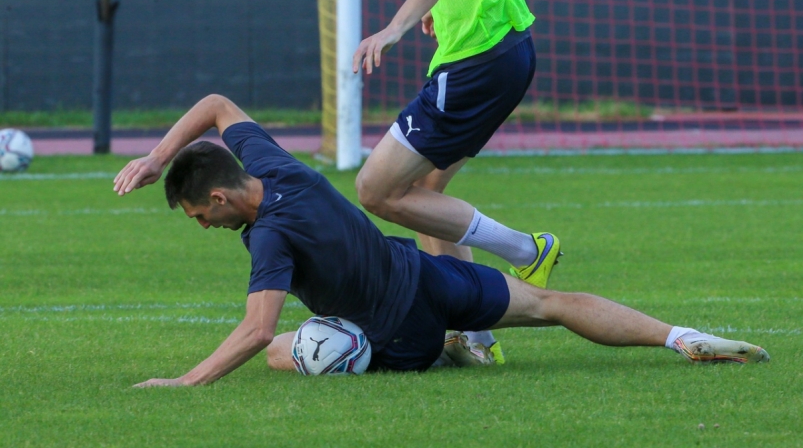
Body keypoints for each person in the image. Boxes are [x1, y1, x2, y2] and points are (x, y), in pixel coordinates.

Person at [114, 95, 769, 386]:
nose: (203, 226)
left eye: (200, 215)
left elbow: (257, 332)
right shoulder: (275, 164)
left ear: (222, 197)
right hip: (429, 277)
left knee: (288, 351)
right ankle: (678, 335)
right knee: (555, 303)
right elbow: (219, 103)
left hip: (401, 338)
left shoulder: (269, 240)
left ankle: (447, 349)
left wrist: (186, 379)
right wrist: (157, 158)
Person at [352, 0, 554, 355]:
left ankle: (525, 250)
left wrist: (394, 28)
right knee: (425, 193)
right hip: (506, 42)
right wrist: (435, 8)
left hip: (477, 56)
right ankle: (477, 339)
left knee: (376, 189)